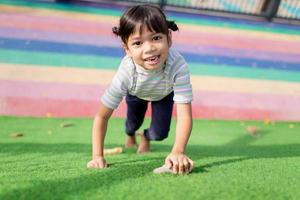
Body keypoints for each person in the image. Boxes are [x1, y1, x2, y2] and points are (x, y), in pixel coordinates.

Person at [87, 4, 194, 174]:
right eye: (138, 43)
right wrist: (97, 155)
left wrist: (178, 151)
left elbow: (184, 115)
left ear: (169, 38)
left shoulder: (178, 65)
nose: (149, 48)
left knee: (160, 133)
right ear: (127, 49)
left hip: (164, 94)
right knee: (132, 124)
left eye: (156, 38)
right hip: (136, 92)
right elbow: (102, 115)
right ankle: (130, 134)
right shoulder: (126, 72)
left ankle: (145, 136)